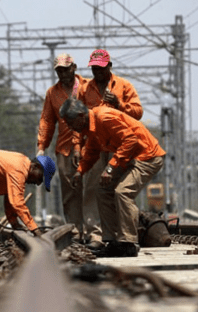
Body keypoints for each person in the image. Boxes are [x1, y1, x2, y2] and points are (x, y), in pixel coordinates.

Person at [60, 98, 165, 257]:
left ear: (81, 115)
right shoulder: (90, 128)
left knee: (123, 192)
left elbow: (130, 139)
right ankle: (112, 240)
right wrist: (80, 171)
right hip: (130, 159)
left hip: (147, 156)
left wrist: (109, 168)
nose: (69, 127)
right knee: (103, 191)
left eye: (70, 122)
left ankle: (129, 242)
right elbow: (92, 151)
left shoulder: (104, 117)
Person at [75, 49, 144, 246]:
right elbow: (77, 118)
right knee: (93, 189)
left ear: (109, 67)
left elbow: (138, 112)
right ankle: (96, 234)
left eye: (101, 68)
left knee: (120, 190)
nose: (98, 72)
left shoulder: (124, 86)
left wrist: (119, 104)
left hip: (120, 146)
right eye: (94, 68)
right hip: (96, 147)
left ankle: (124, 234)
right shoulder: (85, 89)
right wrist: (77, 146)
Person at [36, 53, 90, 240]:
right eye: (59, 70)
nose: (63, 74)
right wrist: (42, 146)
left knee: (91, 188)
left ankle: (93, 231)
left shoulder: (86, 86)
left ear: (74, 67)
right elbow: (47, 121)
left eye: (66, 69)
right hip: (65, 148)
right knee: (70, 191)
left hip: (90, 144)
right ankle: (75, 230)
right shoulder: (53, 93)